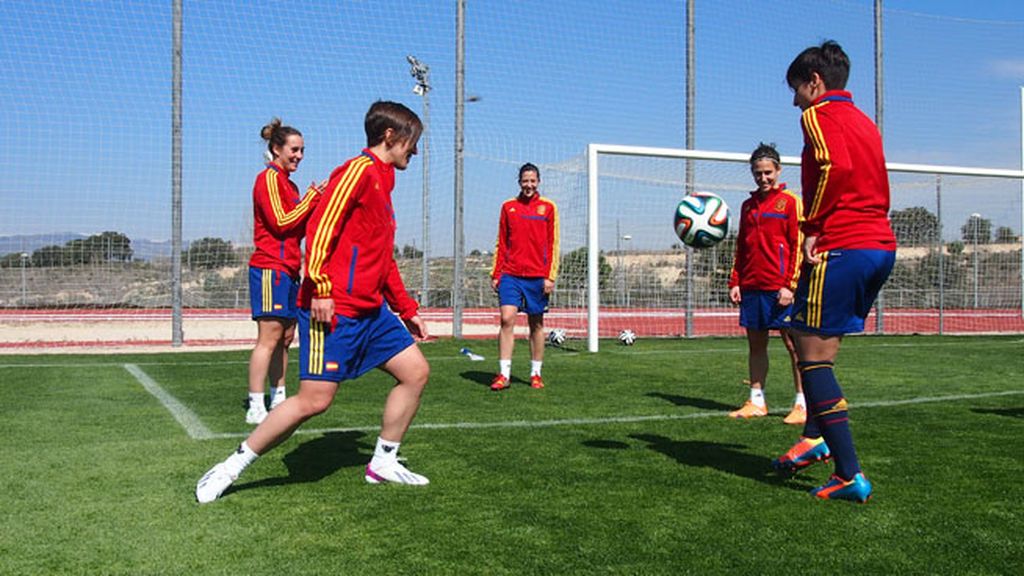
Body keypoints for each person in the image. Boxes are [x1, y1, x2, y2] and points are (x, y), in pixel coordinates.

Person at [197, 101, 431, 503]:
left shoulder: (385, 179)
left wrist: (406, 310)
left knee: (415, 372)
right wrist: (321, 287)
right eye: (412, 141)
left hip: (371, 309)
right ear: (390, 136)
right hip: (334, 307)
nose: (416, 150)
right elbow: (322, 228)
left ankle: (383, 462)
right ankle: (232, 465)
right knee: (314, 401)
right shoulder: (356, 171)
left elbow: (381, 253)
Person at [770, 41, 896, 503]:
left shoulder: (818, 116)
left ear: (815, 83)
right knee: (814, 341)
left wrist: (811, 227)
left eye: (797, 90)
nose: (795, 101)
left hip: (842, 245)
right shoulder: (865, 121)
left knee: (812, 357)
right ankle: (814, 437)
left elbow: (832, 166)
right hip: (879, 245)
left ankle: (849, 472)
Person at [244, 119, 323, 425]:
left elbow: (297, 226)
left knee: (287, 336)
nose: (299, 155)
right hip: (270, 267)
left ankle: (278, 395)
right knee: (269, 336)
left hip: (290, 268)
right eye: (294, 149)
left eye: (302, 150)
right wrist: (311, 200)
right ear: (276, 149)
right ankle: (255, 403)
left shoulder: (289, 184)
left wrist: (317, 203)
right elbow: (280, 221)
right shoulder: (268, 179)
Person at [727, 143, 805, 425]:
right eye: (758, 173)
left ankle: (802, 404)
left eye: (768, 172)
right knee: (756, 345)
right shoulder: (748, 206)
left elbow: (798, 246)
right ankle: (757, 400)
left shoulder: (790, 202)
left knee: (794, 346)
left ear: (778, 170)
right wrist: (736, 281)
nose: (763, 178)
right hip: (752, 287)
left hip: (781, 288)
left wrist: (791, 286)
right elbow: (742, 247)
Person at [488, 163, 560, 391]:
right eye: (525, 181)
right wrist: (496, 272)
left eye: (532, 181)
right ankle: (504, 374)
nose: (529, 185)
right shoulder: (508, 207)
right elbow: (501, 241)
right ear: (519, 182)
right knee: (507, 319)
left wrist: (550, 276)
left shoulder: (548, 207)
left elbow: (554, 243)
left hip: (538, 276)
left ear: (538, 181)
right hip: (511, 273)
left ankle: (535, 373)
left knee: (536, 324)